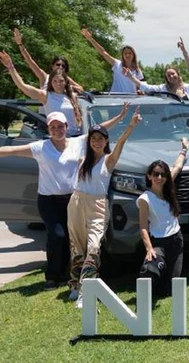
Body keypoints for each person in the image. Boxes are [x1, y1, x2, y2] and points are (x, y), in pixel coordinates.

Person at [0, 108, 128, 291]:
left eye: (60, 126)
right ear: (48, 129)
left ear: (66, 126)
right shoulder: (41, 147)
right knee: (57, 235)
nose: (57, 130)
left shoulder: (78, 143)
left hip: (72, 199)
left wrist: (119, 117)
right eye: (53, 127)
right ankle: (52, 276)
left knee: (72, 239)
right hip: (48, 200)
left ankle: (69, 276)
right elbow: (12, 150)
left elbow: (100, 130)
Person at [68, 107, 141, 308]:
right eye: (94, 138)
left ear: (106, 142)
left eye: (101, 139)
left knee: (93, 247)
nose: (97, 142)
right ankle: (74, 285)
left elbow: (122, 142)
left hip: (98, 205)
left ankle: (86, 291)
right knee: (77, 246)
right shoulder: (83, 159)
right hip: (76, 203)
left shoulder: (109, 160)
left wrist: (131, 124)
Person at [138, 138, 189, 296]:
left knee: (171, 288)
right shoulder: (145, 199)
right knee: (150, 270)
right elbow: (143, 227)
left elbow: (177, 166)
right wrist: (149, 248)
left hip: (176, 240)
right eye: (156, 174)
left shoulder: (168, 189)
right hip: (158, 242)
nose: (159, 178)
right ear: (149, 176)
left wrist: (184, 149)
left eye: (163, 174)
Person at [0, 51, 83, 136]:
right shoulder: (46, 96)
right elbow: (22, 86)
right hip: (59, 138)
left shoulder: (72, 96)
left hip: (76, 137)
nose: (58, 84)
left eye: (61, 81)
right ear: (51, 82)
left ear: (66, 82)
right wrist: (11, 67)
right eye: (55, 81)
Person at [13, 28, 84, 93]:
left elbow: (81, 89)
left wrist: (67, 87)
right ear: (52, 66)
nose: (60, 67)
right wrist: (20, 44)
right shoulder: (44, 77)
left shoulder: (66, 80)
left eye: (63, 66)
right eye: (58, 64)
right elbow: (30, 61)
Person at [81, 27, 143, 93]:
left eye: (130, 53)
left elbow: (141, 86)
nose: (127, 55)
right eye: (125, 53)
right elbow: (103, 52)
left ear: (133, 55)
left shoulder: (137, 70)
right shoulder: (117, 64)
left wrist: (140, 91)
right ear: (123, 55)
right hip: (116, 97)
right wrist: (90, 39)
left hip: (131, 99)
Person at [123, 65, 189, 100]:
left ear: (178, 74)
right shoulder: (163, 88)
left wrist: (185, 98)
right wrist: (130, 76)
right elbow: (147, 87)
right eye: (168, 76)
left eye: (173, 74)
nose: (171, 76)